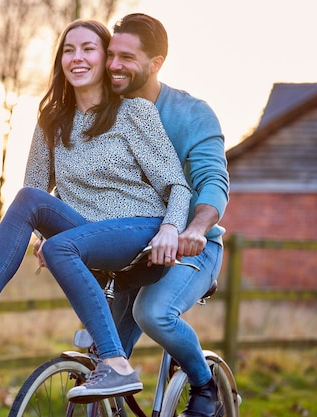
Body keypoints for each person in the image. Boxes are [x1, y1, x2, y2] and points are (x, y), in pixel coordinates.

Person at [0, 19, 192, 403]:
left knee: (59, 248)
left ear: (105, 60)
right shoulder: (52, 119)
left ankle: (116, 364)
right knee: (28, 199)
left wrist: (170, 229)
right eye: (69, 49)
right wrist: (40, 234)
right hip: (88, 233)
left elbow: (176, 184)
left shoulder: (134, 113)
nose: (77, 57)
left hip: (142, 231)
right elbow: (33, 195)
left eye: (88, 49)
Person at [106, 13, 230, 417]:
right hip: (129, 249)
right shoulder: (104, 110)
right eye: (110, 55)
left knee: (152, 312)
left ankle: (204, 385)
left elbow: (213, 181)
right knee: (103, 359)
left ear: (156, 62)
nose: (113, 66)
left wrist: (194, 228)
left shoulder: (191, 113)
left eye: (126, 56)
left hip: (190, 249)